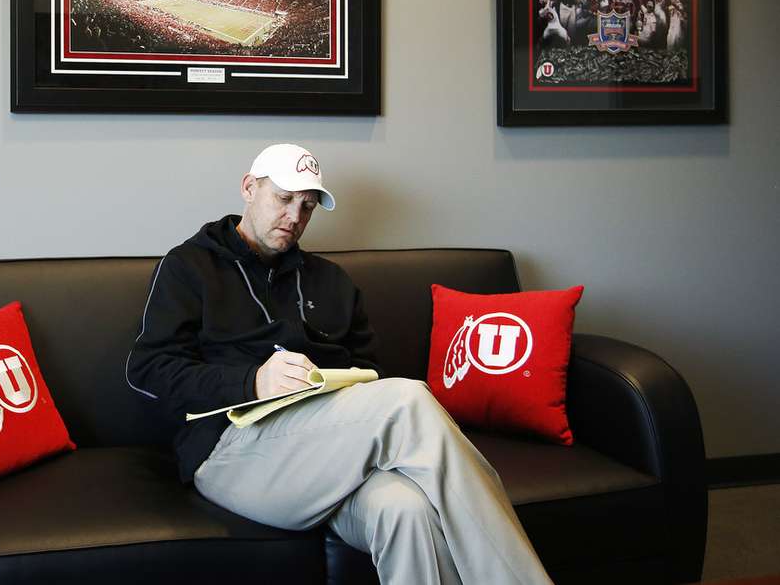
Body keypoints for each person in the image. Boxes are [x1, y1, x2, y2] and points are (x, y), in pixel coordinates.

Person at [126, 143, 552, 585]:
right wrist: (252, 381)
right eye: (284, 198)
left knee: (405, 508)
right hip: (232, 450)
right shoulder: (189, 266)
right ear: (249, 188)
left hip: (330, 446)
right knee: (407, 399)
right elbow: (147, 371)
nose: (295, 216)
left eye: (307, 206)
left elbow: (368, 370)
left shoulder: (330, 281)